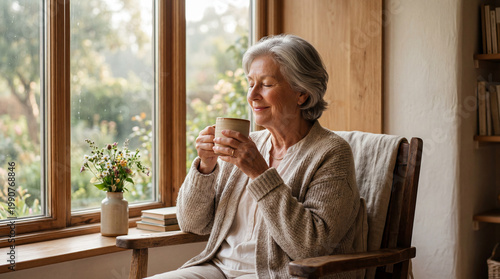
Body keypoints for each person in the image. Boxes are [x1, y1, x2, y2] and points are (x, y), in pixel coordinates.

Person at [148, 34, 362, 279]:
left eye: (267, 84)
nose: (252, 95)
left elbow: (311, 247)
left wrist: (259, 173)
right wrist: (206, 167)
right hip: (217, 269)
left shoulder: (332, 153)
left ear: (301, 93)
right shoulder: (249, 144)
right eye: (250, 84)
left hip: (277, 274)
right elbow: (192, 223)